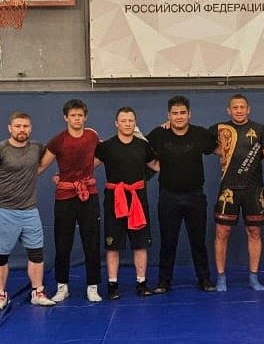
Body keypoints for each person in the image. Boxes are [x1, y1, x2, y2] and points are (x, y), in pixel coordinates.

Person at [0, 112, 56, 311]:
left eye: (26, 126)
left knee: (36, 253)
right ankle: (0, 295)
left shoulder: (37, 148)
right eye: (18, 126)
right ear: (10, 128)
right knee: (1, 255)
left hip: (29, 210)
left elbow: (58, 151)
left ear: (31, 128)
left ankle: (37, 292)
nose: (22, 130)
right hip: (2, 210)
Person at [144, 95, 219, 293]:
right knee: (168, 242)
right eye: (175, 113)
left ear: (189, 114)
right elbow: (140, 150)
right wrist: (159, 167)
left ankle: (204, 279)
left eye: (182, 113)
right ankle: (164, 281)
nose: (179, 117)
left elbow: (222, 149)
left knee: (198, 241)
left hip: (195, 196)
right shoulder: (159, 134)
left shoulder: (200, 134)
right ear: (168, 115)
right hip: (169, 196)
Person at [211, 94, 264, 291]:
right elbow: (194, 137)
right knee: (222, 232)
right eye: (235, 107)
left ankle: (253, 278)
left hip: (253, 189)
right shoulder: (219, 129)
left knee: (254, 232)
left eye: (242, 107)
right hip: (228, 189)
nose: (239, 110)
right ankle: (221, 278)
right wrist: (168, 124)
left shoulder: (260, 130)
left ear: (248, 109)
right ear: (228, 110)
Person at [95, 107, 158, 299]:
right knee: (113, 245)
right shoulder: (106, 147)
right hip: (115, 200)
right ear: (116, 123)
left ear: (135, 122)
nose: (127, 124)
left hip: (138, 199)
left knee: (140, 244)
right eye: (123, 120)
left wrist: (179, 165)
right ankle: (113, 285)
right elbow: (87, 166)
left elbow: (156, 165)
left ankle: (142, 282)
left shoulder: (143, 146)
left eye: (131, 120)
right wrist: (64, 176)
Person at [44, 99, 103, 303]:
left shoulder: (92, 136)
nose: (77, 119)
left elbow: (106, 153)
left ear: (85, 117)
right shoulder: (58, 140)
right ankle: (62, 286)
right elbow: (40, 166)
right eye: (73, 115)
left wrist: (87, 171)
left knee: (92, 242)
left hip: (89, 194)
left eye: (80, 115)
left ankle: (93, 286)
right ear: (66, 118)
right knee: (63, 243)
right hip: (65, 196)